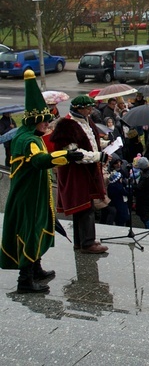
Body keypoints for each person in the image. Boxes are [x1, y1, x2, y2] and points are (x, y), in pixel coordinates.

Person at [1, 71, 83, 293]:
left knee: (39, 228)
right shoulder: (28, 140)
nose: (48, 123)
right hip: (28, 197)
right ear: (35, 121)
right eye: (45, 120)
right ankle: (25, 280)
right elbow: (39, 161)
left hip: (34, 194)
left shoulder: (28, 137)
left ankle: (36, 268)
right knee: (30, 231)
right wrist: (66, 156)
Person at [50, 95, 109, 255]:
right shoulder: (67, 125)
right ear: (78, 109)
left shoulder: (85, 120)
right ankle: (88, 243)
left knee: (83, 206)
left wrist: (104, 144)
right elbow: (75, 152)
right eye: (87, 108)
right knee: (84, 207)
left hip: (86, 171)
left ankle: (80, 241)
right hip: (75, 172)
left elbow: (89, 140)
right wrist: (98, 156)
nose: (90, 110)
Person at [133, 156, 149, 229]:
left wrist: (132, 185)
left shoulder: (146, 177)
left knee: (145, 218)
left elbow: (139, 187)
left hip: (145, 199)